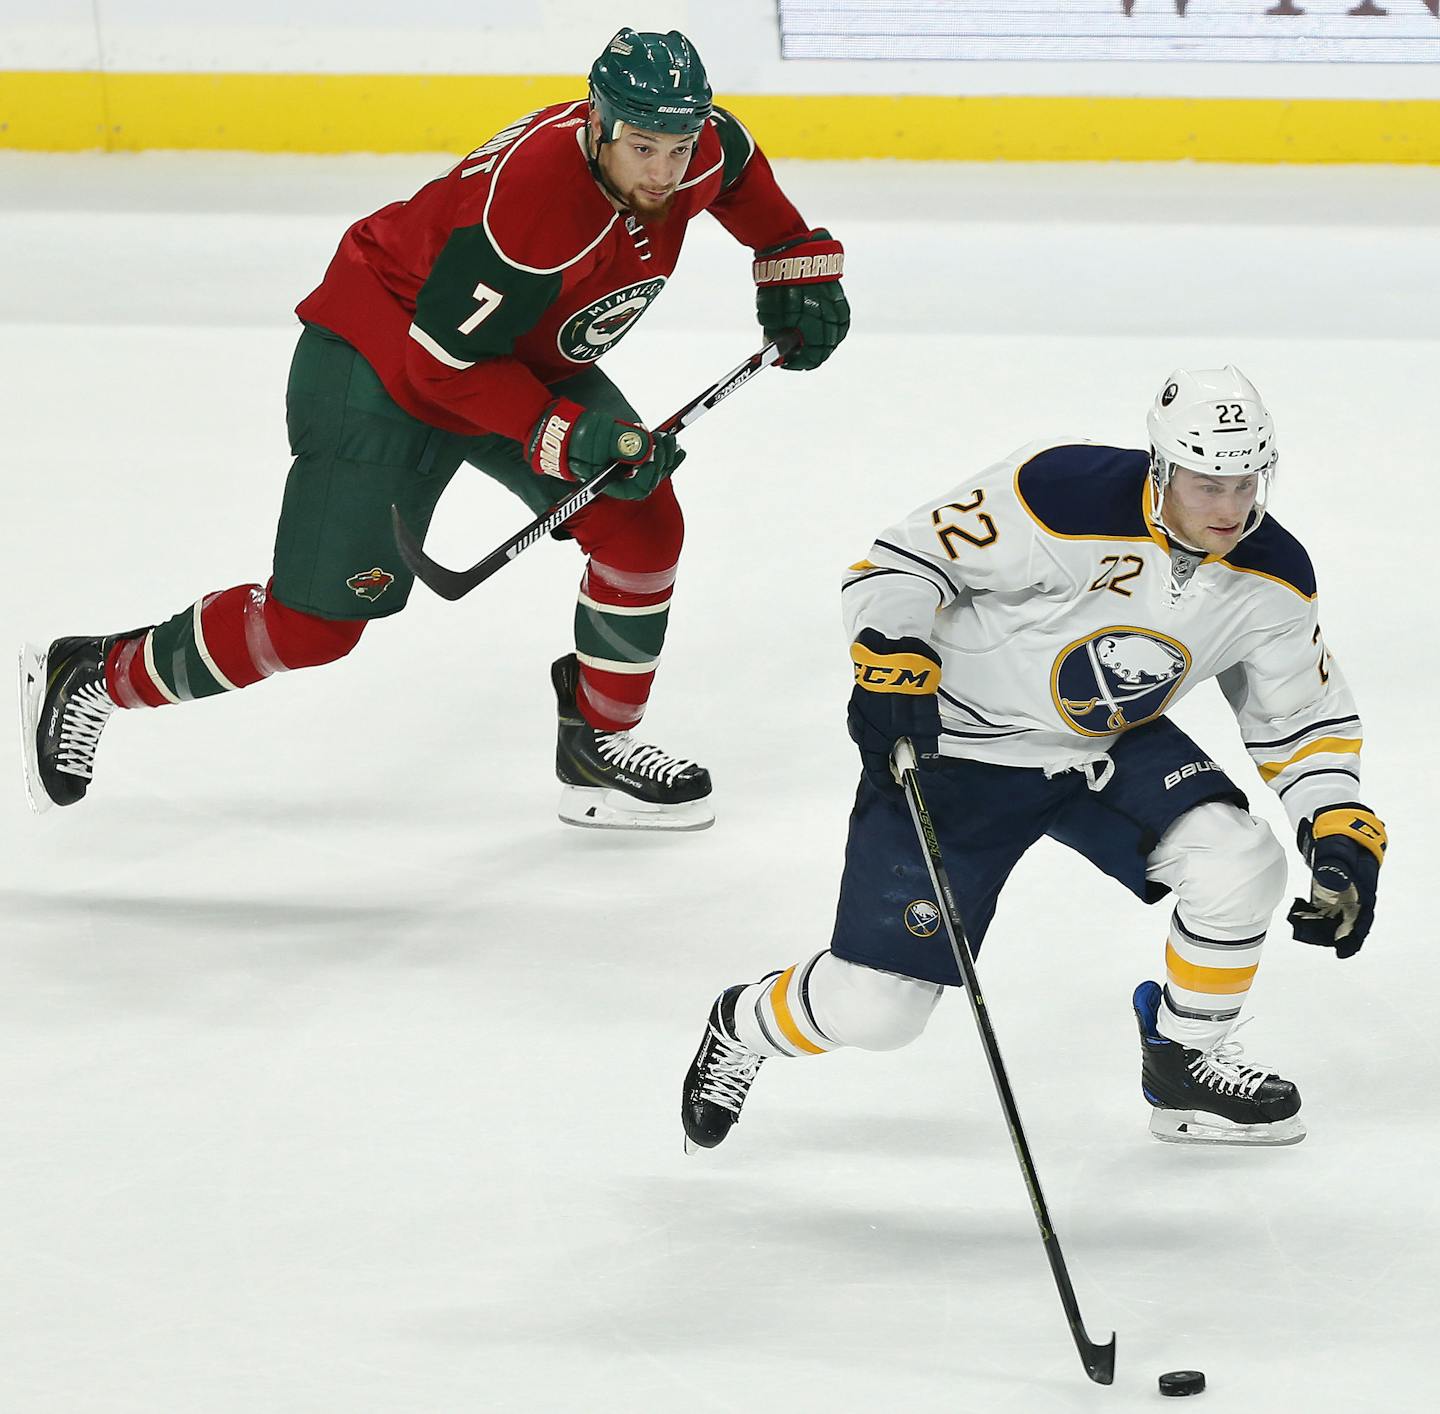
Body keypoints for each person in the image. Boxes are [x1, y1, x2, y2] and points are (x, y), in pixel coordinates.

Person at [19, 28, 849, 832]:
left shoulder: (698, 146)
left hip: (520, 353)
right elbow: (440, 368)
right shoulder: (530, 206)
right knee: (315, 627)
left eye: (678, 147)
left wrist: (794, 266)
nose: (665, 172)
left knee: (641, 522)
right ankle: (94, 673)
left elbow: (740, 184)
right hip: (383, 363)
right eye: (643, 149)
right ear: (597, 124)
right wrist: (570, 434)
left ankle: (598, 746)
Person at [682, 366, 1386, 1150]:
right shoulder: (1059, 492)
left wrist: (1335, 817)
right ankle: (743, 1023)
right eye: (1207, 483)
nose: (1230, 507)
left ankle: (1183, 1063)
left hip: (1102, 744)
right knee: (880, 1012)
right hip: (958, 748)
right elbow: (901, 565)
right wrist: (891, 651)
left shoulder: (1273, 574)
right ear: (1161, 464)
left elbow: (1298, 717)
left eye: (1246, 481)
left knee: (1241, 859)